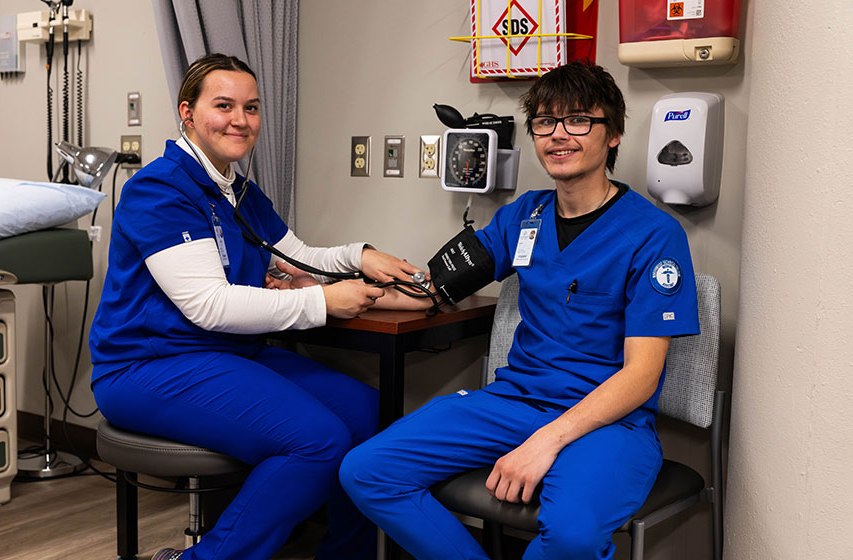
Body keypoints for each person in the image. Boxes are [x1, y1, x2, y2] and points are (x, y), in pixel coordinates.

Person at [339, 61, 700, 559]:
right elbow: (432, 290)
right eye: (544, 122)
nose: (559, 135)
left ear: (613, 133)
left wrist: (547, 441)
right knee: (367, 471)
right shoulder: (522, 215)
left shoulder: (654, 234)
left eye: (578, 120)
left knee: (572, 536)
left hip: (606, 423)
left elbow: (642, 376)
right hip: (513, 401)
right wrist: (326, 287)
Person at [89, 53, 424, 560]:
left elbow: (297, 255)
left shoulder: (236, 189)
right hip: (147, 366)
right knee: (319, 442)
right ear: (187, 112)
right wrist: (323, 301)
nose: (240, 120)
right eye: (223, 105)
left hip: (226, 354)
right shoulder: (157, 190)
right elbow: (209, 305)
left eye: (251, 107)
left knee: (368, 415)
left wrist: (361, 255)